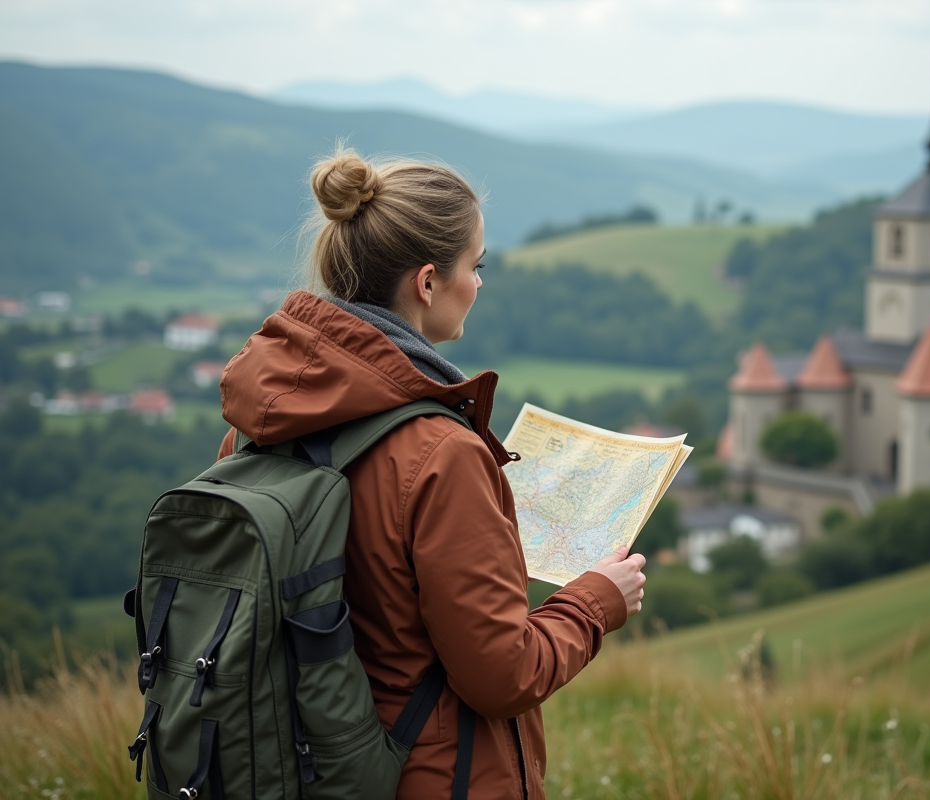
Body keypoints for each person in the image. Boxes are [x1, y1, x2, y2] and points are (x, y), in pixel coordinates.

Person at [217, 146, 647, 800]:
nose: (479, 282)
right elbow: (501, 676)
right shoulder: (442, 452)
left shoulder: (258, 423)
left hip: (292, 767)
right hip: (425, 778)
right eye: (475, 266)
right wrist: (597, 602)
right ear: (426, 283)